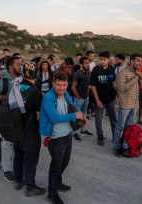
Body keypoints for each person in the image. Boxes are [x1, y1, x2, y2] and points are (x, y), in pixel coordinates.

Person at [40, 71, 85, 204]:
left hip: (67, 135)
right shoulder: (48, 98)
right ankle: (52, 193)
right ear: (53, 84)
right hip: (55, 138)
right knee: (56, 165)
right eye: (58, 85)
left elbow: (73, 106)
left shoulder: (65, 93)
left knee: (64, 162)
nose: (61, 88)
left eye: (64, 85)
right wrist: (74, 116)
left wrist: (80, 114)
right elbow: (54, 118)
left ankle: (58, 183)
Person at [12, 62, 46, 197]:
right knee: (30, 158)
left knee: (18, 155)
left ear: (23, 73)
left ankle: (18, 180)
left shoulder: (15, 87)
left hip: (15, 128)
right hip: (30, 131)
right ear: (36, 74)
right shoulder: (36, 92)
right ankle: (30, 186)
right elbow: (38, 117)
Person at [113, 54, 142, 157]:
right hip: (125, 105)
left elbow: (140, 86)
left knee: (129, 128)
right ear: (132, 61)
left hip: (134, 104)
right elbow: (121, 88)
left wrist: (140, 78)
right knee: (120, 127)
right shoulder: (123, 73)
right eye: (138, 61)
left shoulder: (136, 72)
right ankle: (116, 147)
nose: (140, 63)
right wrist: (135, 78)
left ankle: (125, 145)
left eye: (141, 61)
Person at [90, 51, 117, 146]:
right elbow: (92, 86)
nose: (102, 61)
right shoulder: (96, 69)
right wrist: (97, 101)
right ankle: (100, 136)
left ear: (109, 59)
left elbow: (113, 82)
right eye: (101, 59)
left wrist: (116, 95)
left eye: (104, 59)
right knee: (98, 118)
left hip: (110, 98)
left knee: (113, 117)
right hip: (99, 99)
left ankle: (115, 135)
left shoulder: (111, 68)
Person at [71, 56, 93, 142]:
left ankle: (83, 131)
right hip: (79, 98)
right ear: (81, 64)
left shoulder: (88, 73)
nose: (88, 65)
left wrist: (87, 95)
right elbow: (73, 87)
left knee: (83, 114)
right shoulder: (78, 73)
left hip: (85, 98)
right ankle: (74, 133)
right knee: (76, 116)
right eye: (86, 63)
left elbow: (88, 84)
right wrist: (78, 97)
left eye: (89, 63)